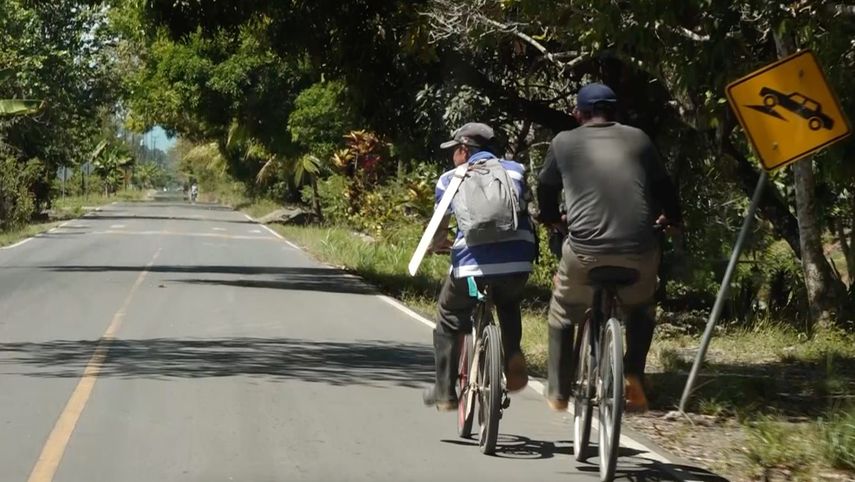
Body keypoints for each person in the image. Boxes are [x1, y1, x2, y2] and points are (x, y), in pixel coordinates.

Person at [536, 83, 682, 413]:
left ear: (579, 114)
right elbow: (664, 188)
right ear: (615, 112)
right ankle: (633, 379)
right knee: (642, 307)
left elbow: (546, 188)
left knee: (562, 310)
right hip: (639, 252)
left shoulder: (563, 142)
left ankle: (558, 389)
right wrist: (672, 219)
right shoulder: (639, 139)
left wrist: (552, 219)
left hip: (584, 253)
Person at [423, 122, 538, 411]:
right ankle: (513, 357)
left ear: (464, 150)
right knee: (508, 302)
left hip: (471, 271)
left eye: (454, 150)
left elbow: (439, 227)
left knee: (449, 313)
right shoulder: (516, 171)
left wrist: (438, 245)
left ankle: (445, 392)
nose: (453, 156)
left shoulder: (449, 179)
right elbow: (526, 207)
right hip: (516, 264)